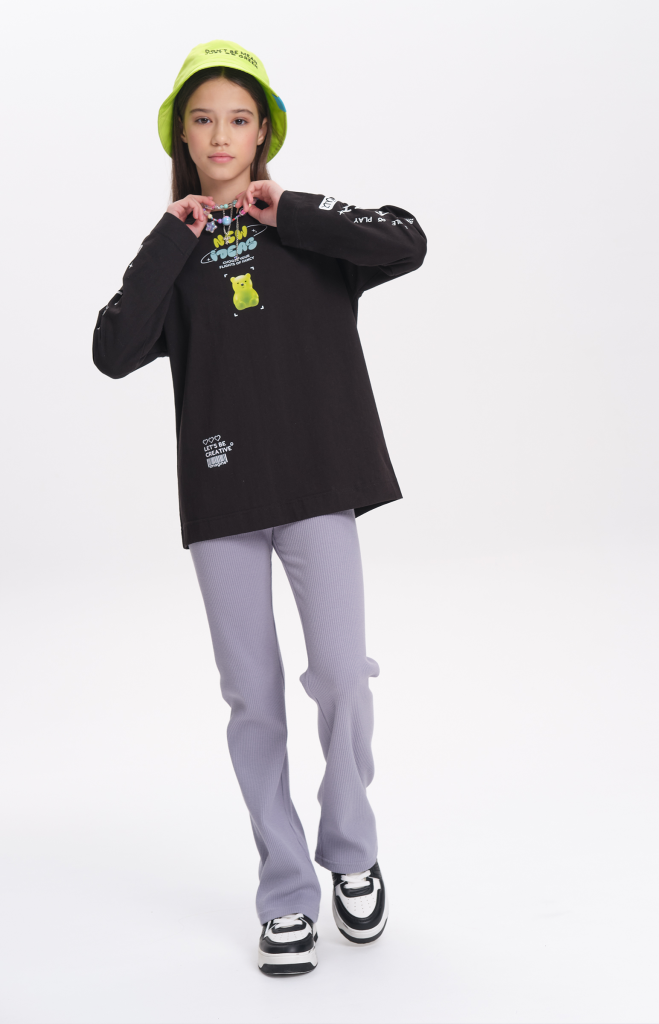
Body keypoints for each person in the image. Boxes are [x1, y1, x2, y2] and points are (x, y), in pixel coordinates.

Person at [92, 40, 427, 976]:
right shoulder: (178, 253)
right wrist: (172, 238)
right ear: (182, 136)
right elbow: (113, 349)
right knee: (253, 701)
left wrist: (300, 210)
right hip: (224, 498)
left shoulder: (306, 232)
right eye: (203, 120)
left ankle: (351, 853)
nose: (221, 136)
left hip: (319, 484)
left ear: (263, 132)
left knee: (343, 678)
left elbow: (407, 239)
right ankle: (284, 891)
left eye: (239, 119)